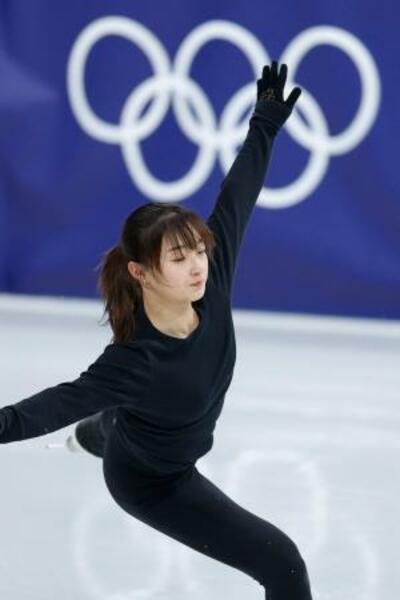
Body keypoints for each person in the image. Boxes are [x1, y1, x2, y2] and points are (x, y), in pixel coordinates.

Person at [0, 61, 313, 599]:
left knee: (116, 421)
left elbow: (237, 195)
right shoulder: (131, 362)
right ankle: (97, 433)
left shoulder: (210, 283)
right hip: (154, 482)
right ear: (141, 272)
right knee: (283, 564)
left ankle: (95, 434)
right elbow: (49, 406)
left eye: (199, 251)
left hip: (135, 422)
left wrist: (264, 122)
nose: (197, 266)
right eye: (178, 257)